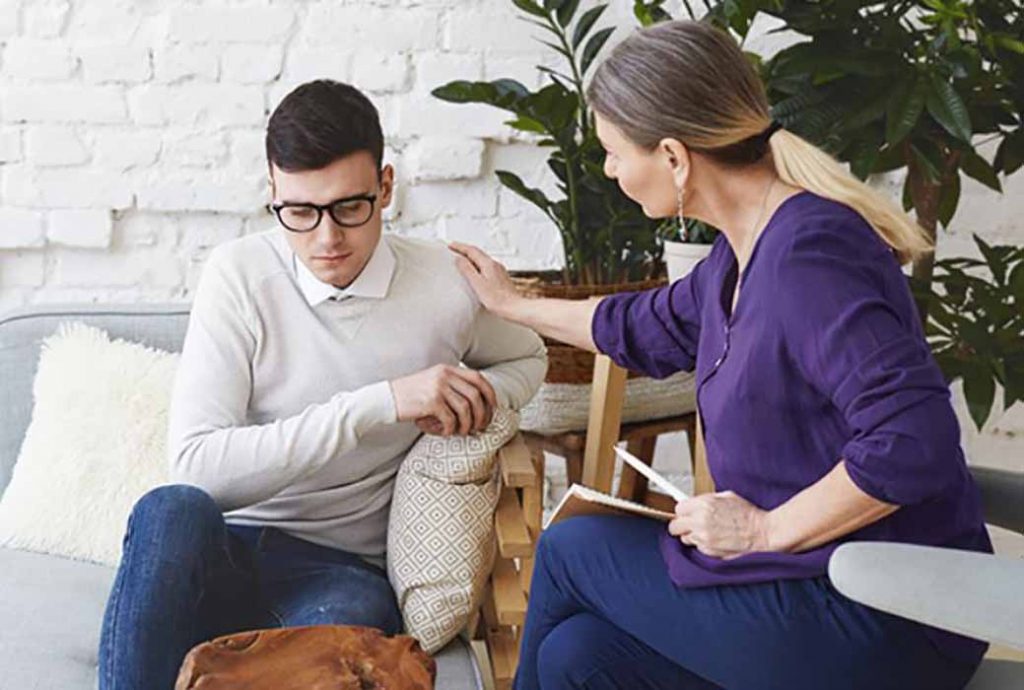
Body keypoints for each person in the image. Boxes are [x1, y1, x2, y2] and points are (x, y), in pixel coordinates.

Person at [450, 20, 991, 690]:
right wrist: (512, 303)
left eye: (616, 152)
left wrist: (763, 531)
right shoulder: (737, 257)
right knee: (578, 658)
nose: (611, 169)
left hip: (886, 615)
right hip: (807, 587)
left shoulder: (809, 258)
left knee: (569, 548)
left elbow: (913, 443)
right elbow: (639, 326)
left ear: (674, 157)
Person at [97, 79, 547, 690]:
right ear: (274, 193)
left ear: (386, 187)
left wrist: (476, 399)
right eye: (300, 213)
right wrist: (379, 402)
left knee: (355, 638)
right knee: (170, 507)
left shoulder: (445, 284)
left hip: (338, 570)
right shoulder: (240, 275)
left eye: (349, 207)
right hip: (222, 547)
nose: (327, 238)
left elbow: (530, 357)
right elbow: (197, 469)